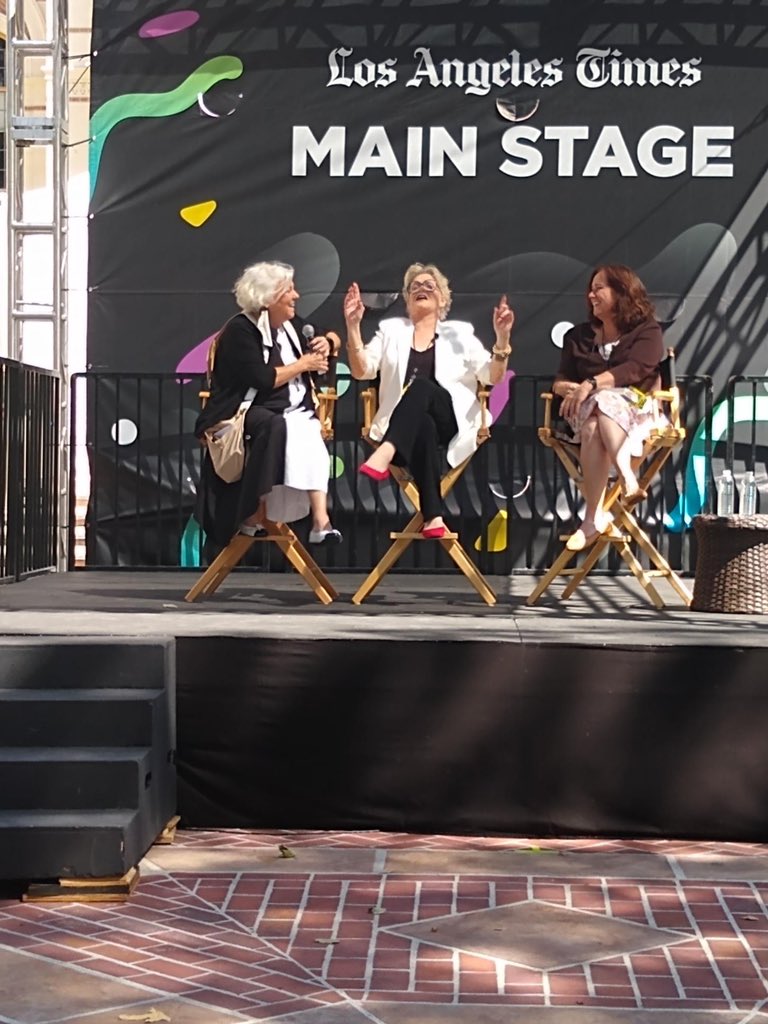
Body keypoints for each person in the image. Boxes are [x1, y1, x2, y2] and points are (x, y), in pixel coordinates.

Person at [343, 263, 514, 539]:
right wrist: (353, 328)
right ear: (407, 299)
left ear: (443, 298)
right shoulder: (390, 332)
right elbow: (362, 370)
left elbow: (492, 376)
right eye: (415, 287)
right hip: (409, 430)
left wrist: (502, 339)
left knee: (422, 387)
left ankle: (385, 452)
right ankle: (433, 515)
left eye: (429, 285)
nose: (421, 289)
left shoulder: (460, 334)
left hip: (452, 421)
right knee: (423, 424)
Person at [194, 261, 342, 550]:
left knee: (308, 429)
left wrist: (329, 342)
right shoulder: (241, 331)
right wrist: (304, 364)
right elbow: (262, 378)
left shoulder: (290, 325)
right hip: (246, 413)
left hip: (297, 412)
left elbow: (329, 334)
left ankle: (320, 522)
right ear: (268, 297)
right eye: (289, 290)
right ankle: (255, 509)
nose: (296, 296)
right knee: (286, 426)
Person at [552, 263, 664, 551]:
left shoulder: (647, 330)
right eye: (591, 289)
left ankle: (592, 517)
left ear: (622, 292)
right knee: (593, 416)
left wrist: (592, 383)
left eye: (599, 288)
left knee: (599, 406)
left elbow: (638, 369)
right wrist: (575, 389)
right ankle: (626, 479)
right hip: (588, 408)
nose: (591, 295)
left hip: (639, 406)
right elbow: (560, 382)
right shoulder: (577, 337)